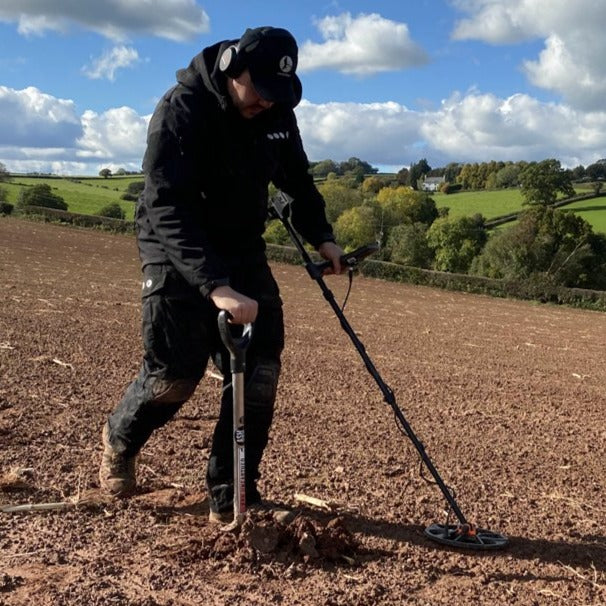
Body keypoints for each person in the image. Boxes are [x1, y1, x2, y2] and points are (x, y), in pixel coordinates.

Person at [98, 26, 344, 523]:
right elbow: (167, 208)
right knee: (174, 377)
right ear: (233, 67)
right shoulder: (181, 110)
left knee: (260, 372)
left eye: (279, 97)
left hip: (241, 246)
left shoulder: (275, 111)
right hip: (176, 244)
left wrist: (323, 236)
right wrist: (216, 286)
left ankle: (232, 492)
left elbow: (295, 178)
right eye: (260, 91)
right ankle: (120, 440)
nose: (268, 105)